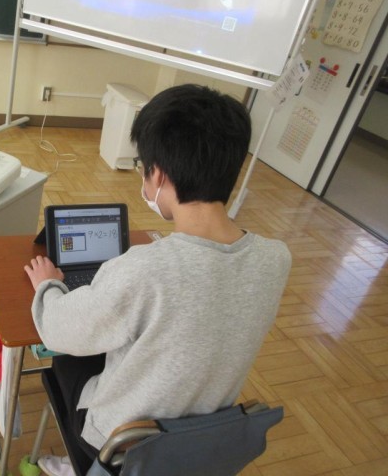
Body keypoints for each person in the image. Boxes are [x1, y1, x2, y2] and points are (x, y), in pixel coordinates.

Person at [24, 84, 291, 476]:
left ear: (160, 175)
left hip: (121, 445)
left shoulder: (143, 268)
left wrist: (48, 285)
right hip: (201, 437)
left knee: (64, 358)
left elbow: (58, 331)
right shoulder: (276, 258)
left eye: (142, 167)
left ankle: (77, 464)